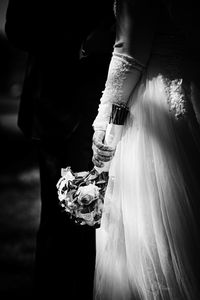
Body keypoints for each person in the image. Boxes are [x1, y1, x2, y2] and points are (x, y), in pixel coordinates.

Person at [4, 1, 115, 299]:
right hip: (60, 115)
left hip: (115, 112)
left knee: (105, 233)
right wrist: (82, 44)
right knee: (61, 232)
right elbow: (17, 27)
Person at [92, 0, 200, 299]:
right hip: (192, 96)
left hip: (156, 111)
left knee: (153, 242)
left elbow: (129, 58)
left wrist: (103, 122)